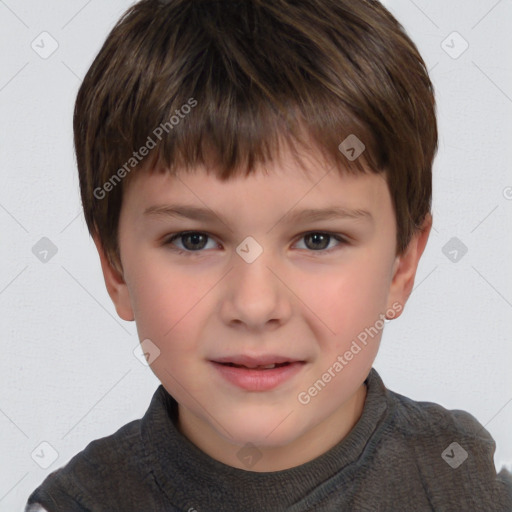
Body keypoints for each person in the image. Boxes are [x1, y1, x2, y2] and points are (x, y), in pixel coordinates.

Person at [25, 0, 512, 510]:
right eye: (194, 240)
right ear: (115, 269)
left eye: (317, 240)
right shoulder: (81, 504)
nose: (255, 306)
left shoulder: (463, 486)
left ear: (402, 265)